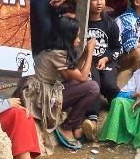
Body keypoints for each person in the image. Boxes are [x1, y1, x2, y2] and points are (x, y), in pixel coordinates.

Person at [22, 16, 100, 151]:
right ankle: (67, 127)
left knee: (85, 84)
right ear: (68, 37)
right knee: (92, 87)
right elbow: (82, 76)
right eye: (76, 36)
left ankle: (77, 127)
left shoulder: (55, 52)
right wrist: (91, 53)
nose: (79, 40)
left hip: (46, 90)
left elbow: (74, 74)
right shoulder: (56, 54)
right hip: (40, 98)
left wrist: (85, 52)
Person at [84, 0, 122, 108]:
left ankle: (117, 106)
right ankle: (92, 116)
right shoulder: (81, 23)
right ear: (86, 0)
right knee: (94, 85)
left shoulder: (110, 24)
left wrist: (106, 58)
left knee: (109, 85)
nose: (99, 2)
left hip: (107, 61)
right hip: (87, 62)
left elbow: (117, 48)